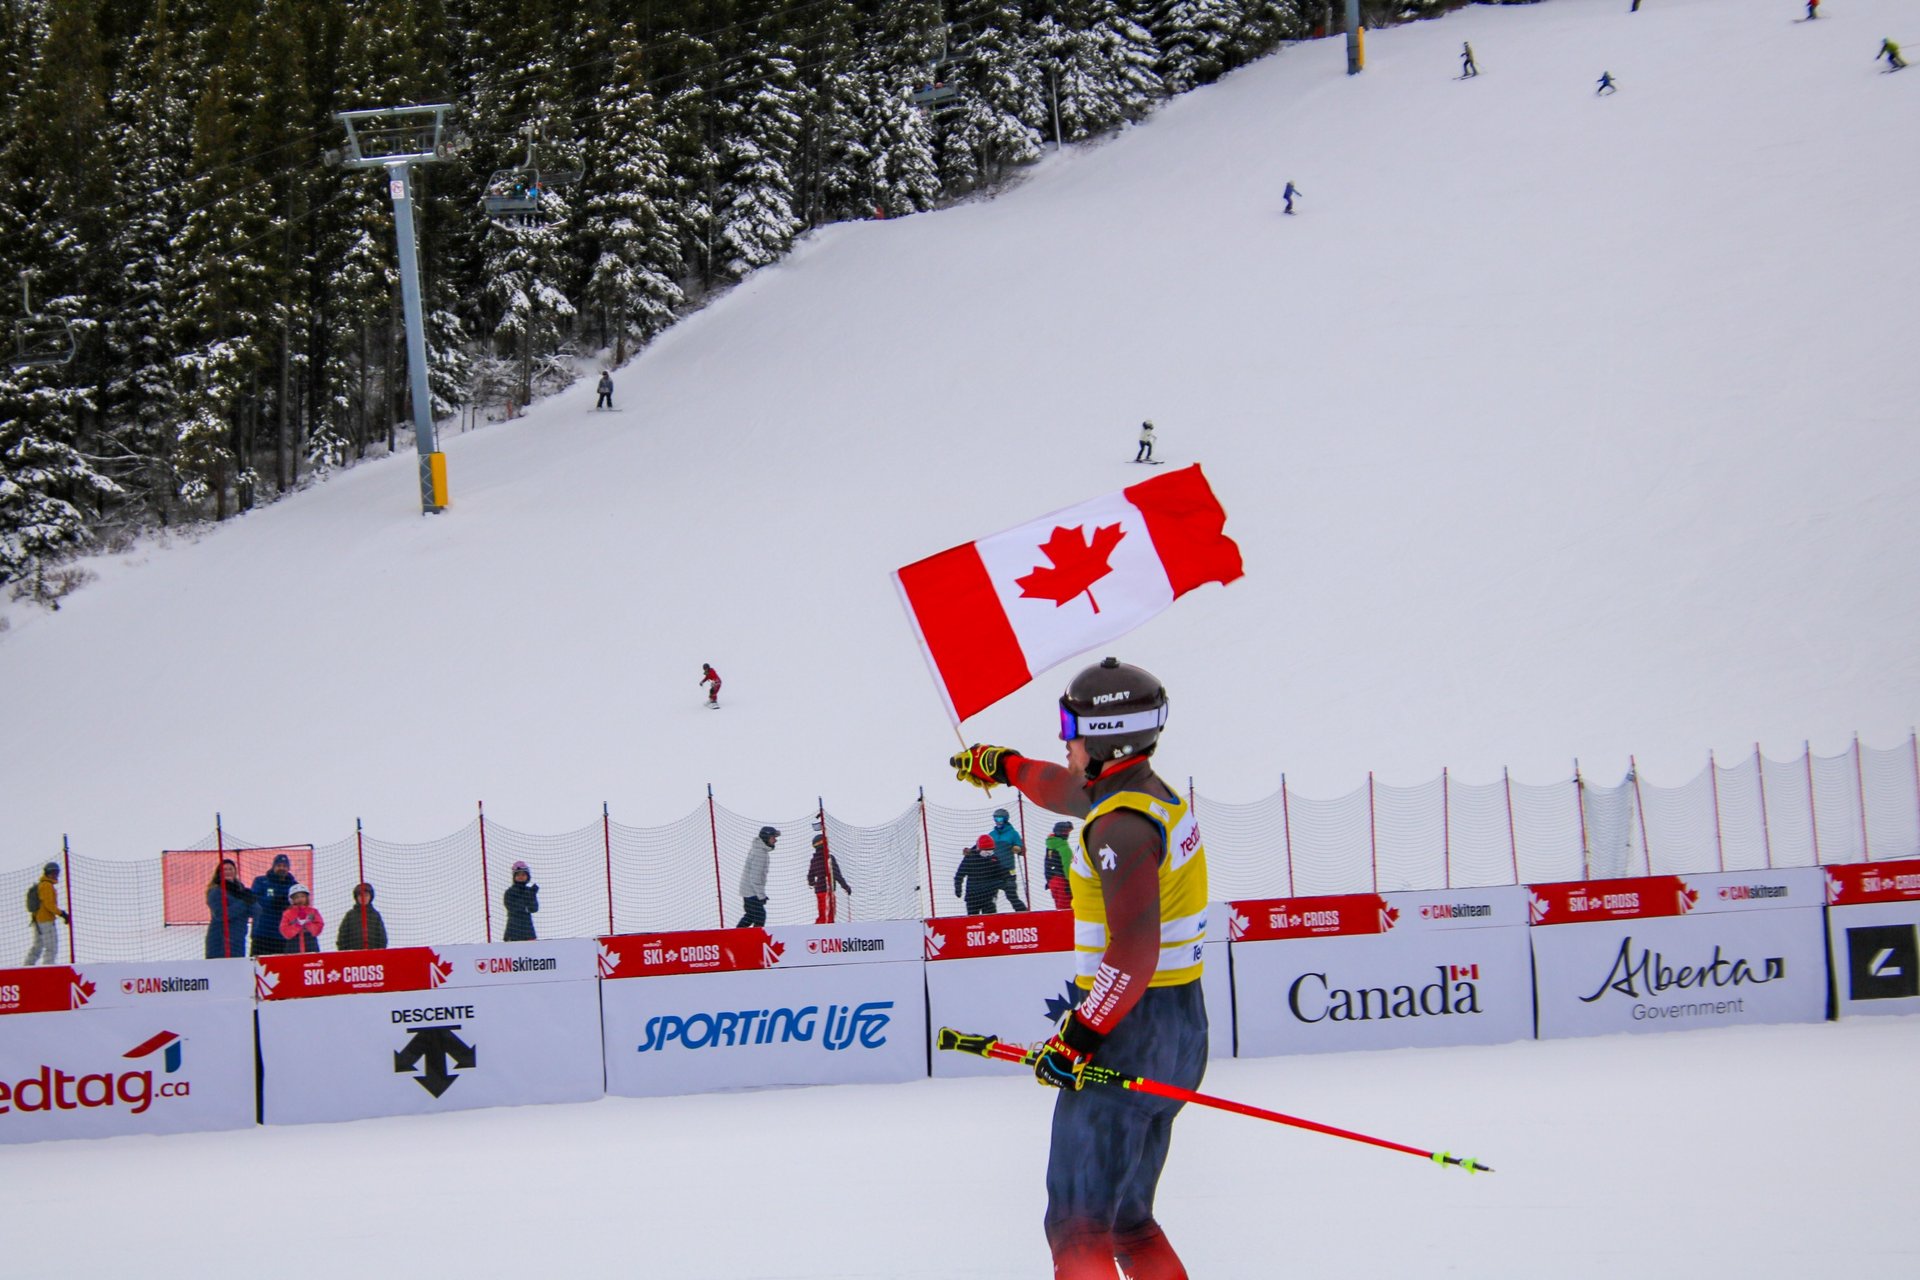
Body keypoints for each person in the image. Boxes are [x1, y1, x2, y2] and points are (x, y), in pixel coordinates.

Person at [950, 657, 1209, 1280]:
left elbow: (1134, 950)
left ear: (1105, 735)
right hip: (1179, 1030)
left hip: (1131, 1030)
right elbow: (1060, 789)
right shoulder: (1147, 796)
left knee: (1076, 1225)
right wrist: (1003, 764)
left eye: (1071, 724)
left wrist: (1082, 1034)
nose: (1064, 739)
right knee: (1127, 1222)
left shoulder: (1119, 827)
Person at [249, 853, 298, 957]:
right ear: (273, 866)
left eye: (284, 866)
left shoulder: (294, 885)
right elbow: (253, 899)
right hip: (262, 933)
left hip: (283, 935)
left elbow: (299, 903)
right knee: (257, 966)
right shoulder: (261, 881)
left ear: (288, 868)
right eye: (279, 866)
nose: (282, 868)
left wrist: (287, 904)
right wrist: (272, 901)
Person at [204, 859, 255, 959]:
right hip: (220, 941)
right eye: (224, 870)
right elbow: (221, 914)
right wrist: (244, 902)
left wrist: (253, 901)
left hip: (238, 940)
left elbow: (254, 912)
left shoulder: (241, 889)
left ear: (235, 871)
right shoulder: (215, 891)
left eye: (230, 869)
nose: (228, 871)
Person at [23, 861, 68, 965]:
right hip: (46, 920)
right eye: (53, 872)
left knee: (37, 946)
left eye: (57, 873)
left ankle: (26, 967)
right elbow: (49, 904)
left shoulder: (42, 885)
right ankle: (48, 968)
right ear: (47, 873)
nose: (55, 875)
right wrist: (62, 914)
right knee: (51, 947)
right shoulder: (47, 886)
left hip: (37, 920)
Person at [988, 807, 1030, 912]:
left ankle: (1024, 914)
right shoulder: (992, 835)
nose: (998, 822)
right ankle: (990, 918)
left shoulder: (1012, 833)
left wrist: (1018, 848)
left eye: (1000, 819)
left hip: (1008, 869)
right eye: (996, 819)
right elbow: (982, 846)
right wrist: (971, 851)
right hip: (994, 870)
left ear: (1005, 819)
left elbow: (1022, 849)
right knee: (990, 897)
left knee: (1011, 895)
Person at [807, 833, 852, 924]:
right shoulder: (829, 858)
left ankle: (819, 929)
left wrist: (813, 883)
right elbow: (836, 874)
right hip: (827, 890)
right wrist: (845, 886)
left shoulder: (814, 859)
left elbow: (810, 876)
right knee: (829, 914)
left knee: (822, 913)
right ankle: (825, 931)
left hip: (819, 891)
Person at [738, 826, 779, 927]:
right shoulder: (760, 853)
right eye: (773, 837)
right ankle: (751, 939)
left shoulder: (760, 850)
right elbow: (755, 877)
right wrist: (761, 896)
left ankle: (736, 937)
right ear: (766, 837)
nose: (775, 840)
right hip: (751, 892)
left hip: (749, 890)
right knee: (760, 916)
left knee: (751, 916)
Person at [954, 837, 1001, 915]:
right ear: (978, 849)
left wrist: (1006, 884)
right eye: (986, 851)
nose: (988, 853)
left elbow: (1001, 875)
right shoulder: (970, 858)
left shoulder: (994, 859)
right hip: (973, 897)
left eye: (990, 851)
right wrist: (958, 888)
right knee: (973, 922)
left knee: (990, 920)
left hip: (989, 896)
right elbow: (959, 875)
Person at [335, 882, 388, 951]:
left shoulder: (375, 915)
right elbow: (342, 936)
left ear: (370, 897)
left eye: (366, 895)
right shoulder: (350, 915)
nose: (363, 898)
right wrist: (344, 952)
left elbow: (382, 937)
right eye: (360, 895)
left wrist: (379, 952)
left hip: (373, 955)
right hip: (352, 955)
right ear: (356, 897)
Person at [278, 884, 324, 954]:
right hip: (293, 946)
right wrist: (297, 925)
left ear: (307, 897)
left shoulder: (313, 911)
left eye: (302, 896)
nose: (300, 899)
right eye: (297, 897)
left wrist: (308, 924)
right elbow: (284, 930)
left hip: (311, 944)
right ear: (292, 900)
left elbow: (318, 927)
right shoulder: (288, 913)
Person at [503, 861, 540, 942]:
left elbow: (534, 908)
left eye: (523, 875)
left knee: (531, 952)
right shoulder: (510, 892)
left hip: (528, 930)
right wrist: (525, 907)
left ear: (527, 876)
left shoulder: (529, 891)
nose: (521, 877)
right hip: (513, 929)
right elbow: (512, 907)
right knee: (513, 952)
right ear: (514, 877)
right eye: (518, 875)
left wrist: (532, 895)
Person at [1044, 821, 1075, 911]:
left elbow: (1047, 864)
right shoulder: (1064, 848)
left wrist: (1049, 880)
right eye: (1066, 832)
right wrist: (1071, 883)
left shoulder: (1050, 845)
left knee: (1059, 909)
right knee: (1067, 909)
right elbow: (1067, 867)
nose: (1067, 834)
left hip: (1052, 881)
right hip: (1063, 882)